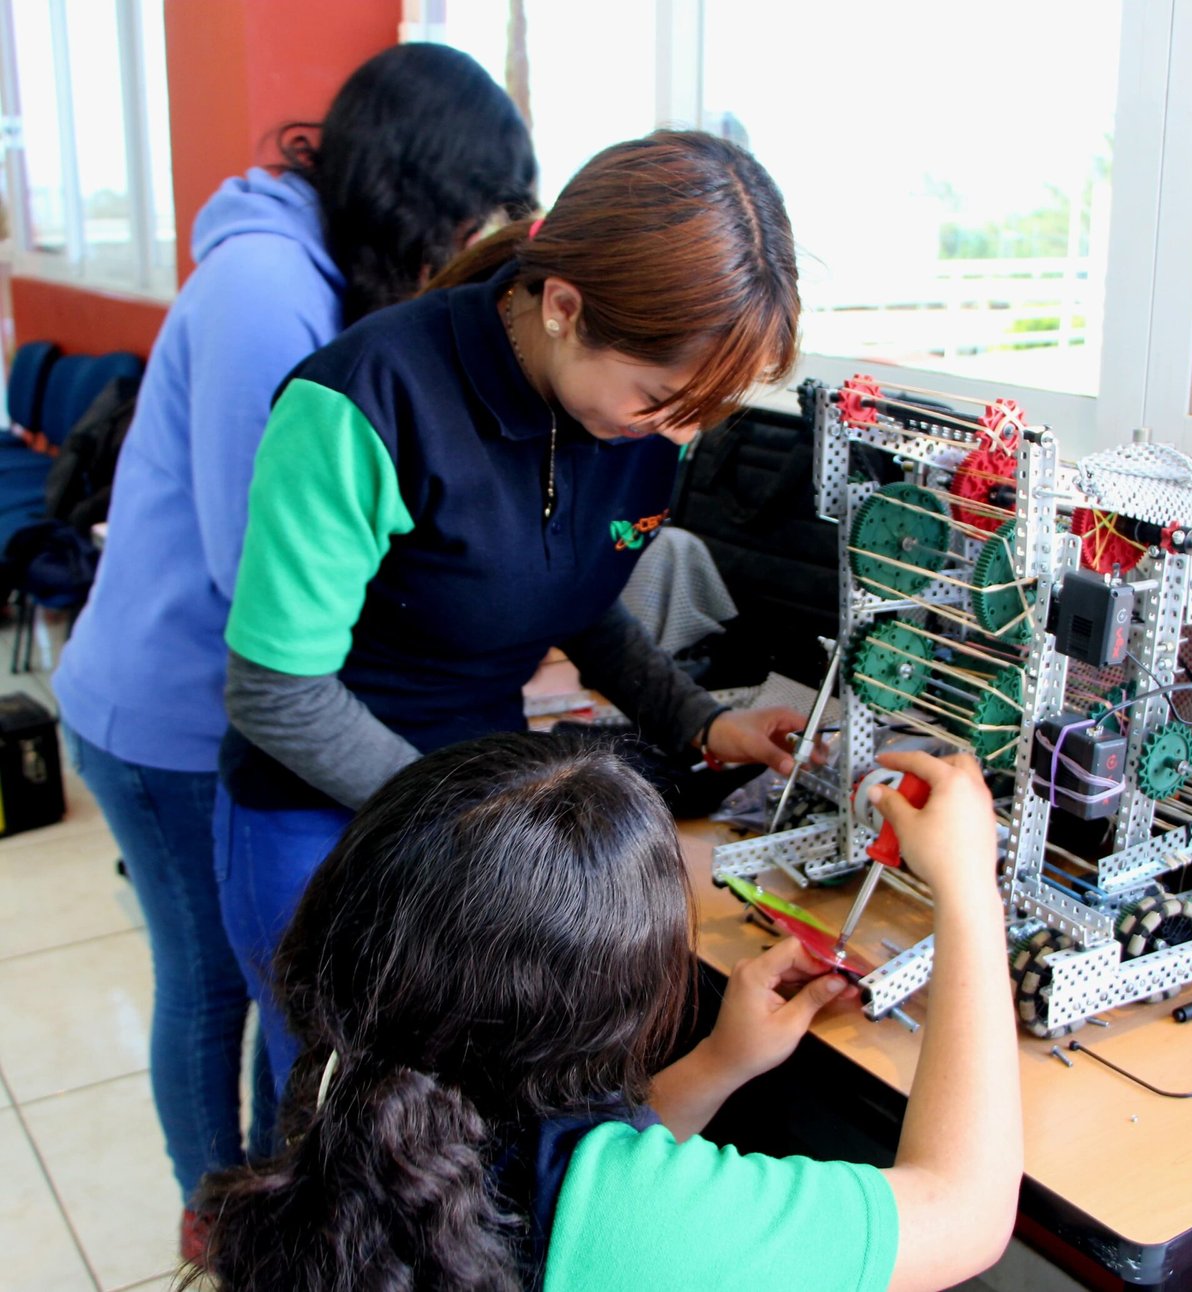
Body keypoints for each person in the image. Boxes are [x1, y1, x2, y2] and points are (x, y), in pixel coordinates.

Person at [50, 42, 536, 1255]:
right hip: (167, 706)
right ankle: (227, 1226)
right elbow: (246, 565)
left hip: (211, 696)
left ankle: (257, 1217)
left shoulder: (325, 276)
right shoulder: (269, 287)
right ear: (422, 193)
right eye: (480, 216)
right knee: (213, 983)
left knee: (256, 991)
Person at [215, 129, 821, 1094]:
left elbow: (574, 596)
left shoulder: (632, 420)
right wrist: (468, 826)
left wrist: (703, 721)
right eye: (665, 400)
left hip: (473, 811)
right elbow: (277, 691)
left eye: (708, 411)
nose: (683, 435)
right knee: (327, 1116)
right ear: (563, 307)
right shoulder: (364, 403)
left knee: (441, 1112)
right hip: (319, 814)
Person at [189, 734, 1022, 1291]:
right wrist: (968, 888)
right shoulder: (631, 1220)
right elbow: (966, 1211)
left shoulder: (354, 1077)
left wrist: (722, 1063)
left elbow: (565, 1173)